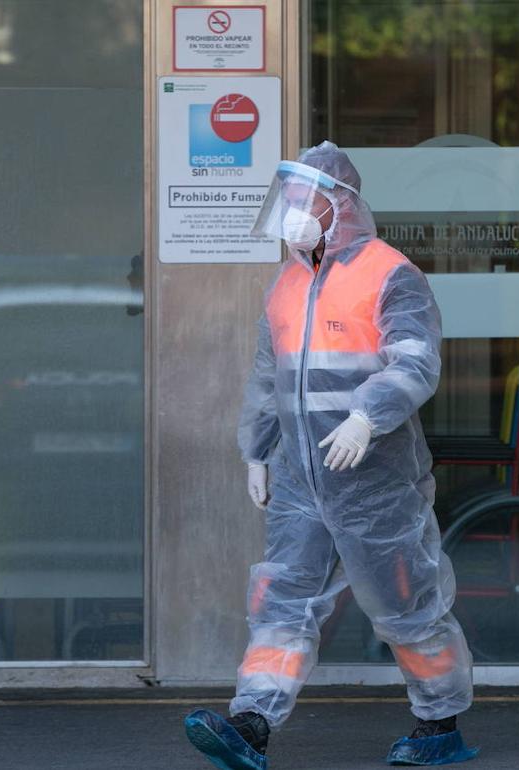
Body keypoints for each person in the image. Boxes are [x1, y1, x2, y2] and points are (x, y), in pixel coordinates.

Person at [184, 141, 476, 769]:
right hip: (300, 479)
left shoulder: (391, 273)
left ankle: (440, 722)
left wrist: (368, 416)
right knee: (282, 599)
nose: (293, 212)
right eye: (287, 200)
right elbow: (269, 376)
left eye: (305, 201)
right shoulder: (287, 285)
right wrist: (257, 451)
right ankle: (251, 722)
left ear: (338, 204)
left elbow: (416, 361)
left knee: (409, 606)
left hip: (376, 481)